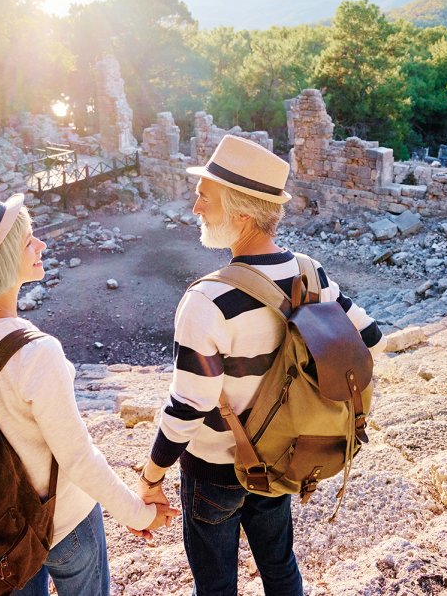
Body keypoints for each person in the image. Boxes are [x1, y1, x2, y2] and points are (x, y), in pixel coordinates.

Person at [135, 135, 384, 596]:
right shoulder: (310, 272)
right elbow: (369, 336)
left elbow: (190, 405)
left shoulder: (206, 299)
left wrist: (151, 476)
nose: (195, 209)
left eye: (204, 199)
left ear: (241, 213)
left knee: (215, 587)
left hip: (214, 471)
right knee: (280, 566)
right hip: (281, 456)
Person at [0, 190, 178, 595]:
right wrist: (137, 512)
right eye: (29, 240)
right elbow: (76, 457)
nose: (41, 245)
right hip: (62, 525)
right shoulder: (37, 352)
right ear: (6, 261)